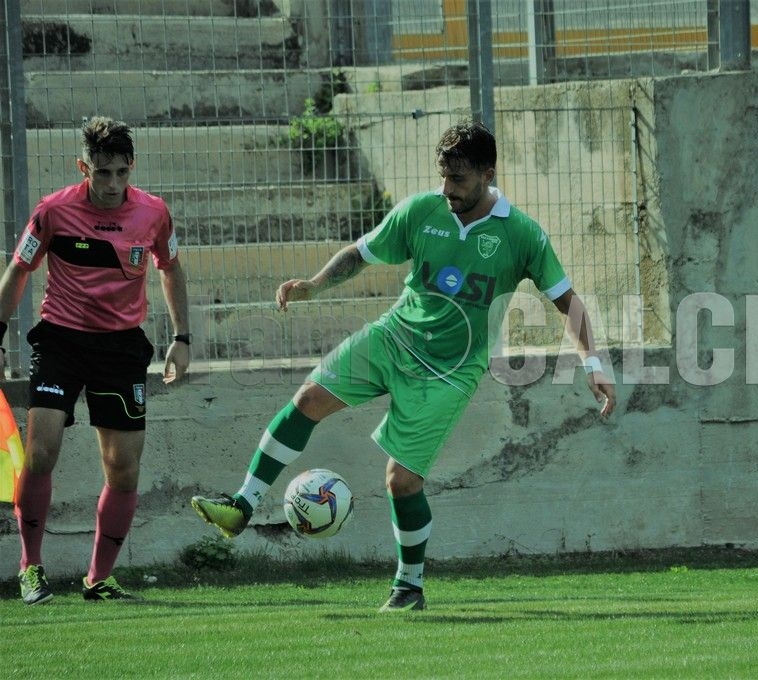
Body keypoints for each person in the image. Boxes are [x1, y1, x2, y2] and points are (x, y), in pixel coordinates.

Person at [191, 121, 615, 612]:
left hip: (450, 372)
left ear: (487, 174)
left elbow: (568, 302)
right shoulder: (422, 211)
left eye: (458, 181)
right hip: (393, 337)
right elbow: (360, 253)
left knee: (401, 481)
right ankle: (242, 505)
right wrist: (314, 284)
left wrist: (594, 363)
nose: (447, 189)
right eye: (443, 177)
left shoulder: (522, 235)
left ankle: (409, 586)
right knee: (307, 400)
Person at [0, 116, 191, 604]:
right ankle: (30, 568)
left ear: (132, 168)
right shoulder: (52, 212)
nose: (111, 184)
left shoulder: (153, 214)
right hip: (61, 340)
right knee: (41, 451)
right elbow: (19, 269)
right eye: (101, 172)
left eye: (121, 173)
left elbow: (170, 269)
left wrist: (182, 336)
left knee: (123, 469)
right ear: (83, 167)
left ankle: (99, 578)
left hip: (121, 347)